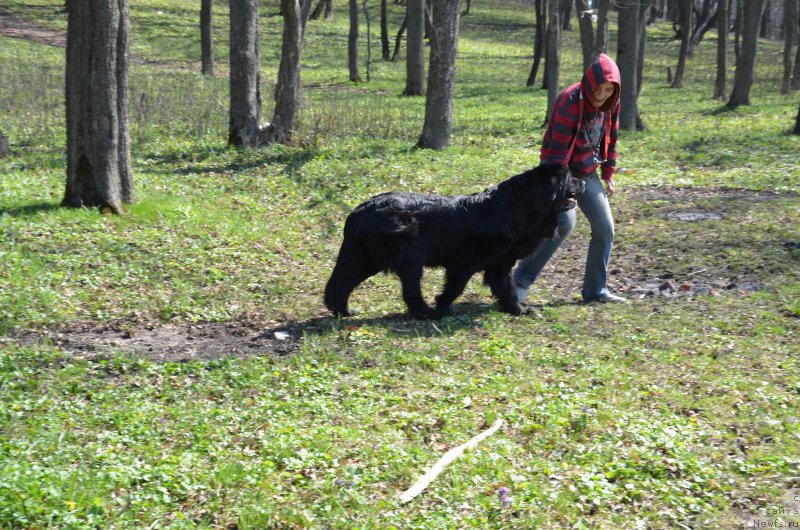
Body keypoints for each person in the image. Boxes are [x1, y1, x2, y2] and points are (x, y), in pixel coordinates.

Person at [514, 53, 626, 304]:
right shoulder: (569, 100)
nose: (603, 94)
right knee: (563, 223)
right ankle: (519, 282)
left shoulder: (612, 102)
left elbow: (612, 137)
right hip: (558, 169)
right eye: (600, 88)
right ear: (591, 82)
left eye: (609, 90)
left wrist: (609, 172)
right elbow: (556, 151)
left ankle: (595, 291)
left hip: (588, 171)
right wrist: (561, 190)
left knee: (605, 229)